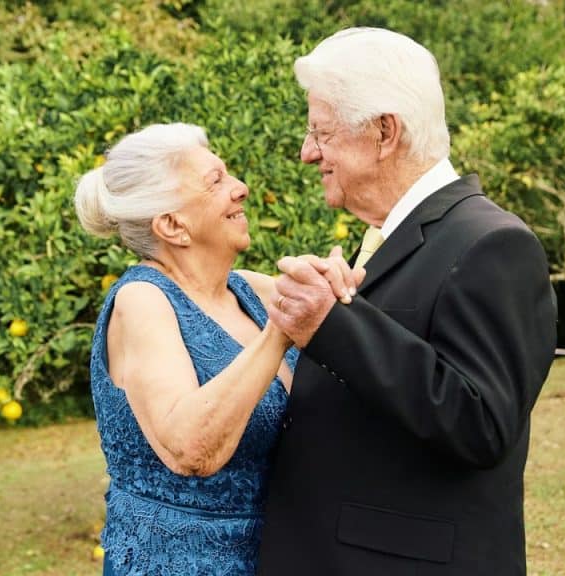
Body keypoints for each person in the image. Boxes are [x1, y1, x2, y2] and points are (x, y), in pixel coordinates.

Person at [257, 28, 558, 575]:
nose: (307, 154)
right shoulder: (388, 236)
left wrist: (331, 324)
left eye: (320, 132)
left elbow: (482, 422)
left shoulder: (492, 243)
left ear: (384, 132)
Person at [74, 123, 361, 575]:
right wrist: (279, 332)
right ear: (172, 225)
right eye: (216, 181)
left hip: (276, 557)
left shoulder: (248, 290)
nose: (241, 189)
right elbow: (190, 449)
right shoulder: (142, 301)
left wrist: (331, 282)